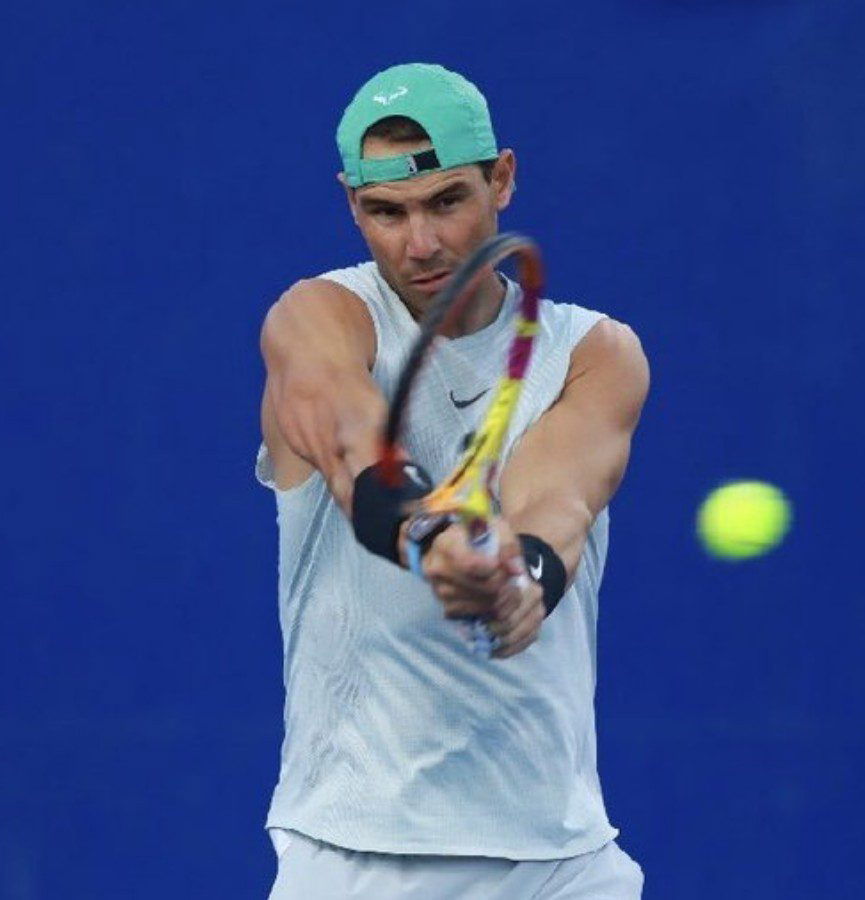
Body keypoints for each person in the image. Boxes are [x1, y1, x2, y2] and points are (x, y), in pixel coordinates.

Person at [257, 62, 650, 898]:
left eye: (446, 201)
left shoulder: (596, 354)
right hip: (356, 855)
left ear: (502, 179)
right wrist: (428, 533)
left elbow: (557, 502)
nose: (419, 243)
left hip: (562, 864)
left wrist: (523, 579)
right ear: (349, 204)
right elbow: (349, 443)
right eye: (384, 212)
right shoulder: (317, 316)